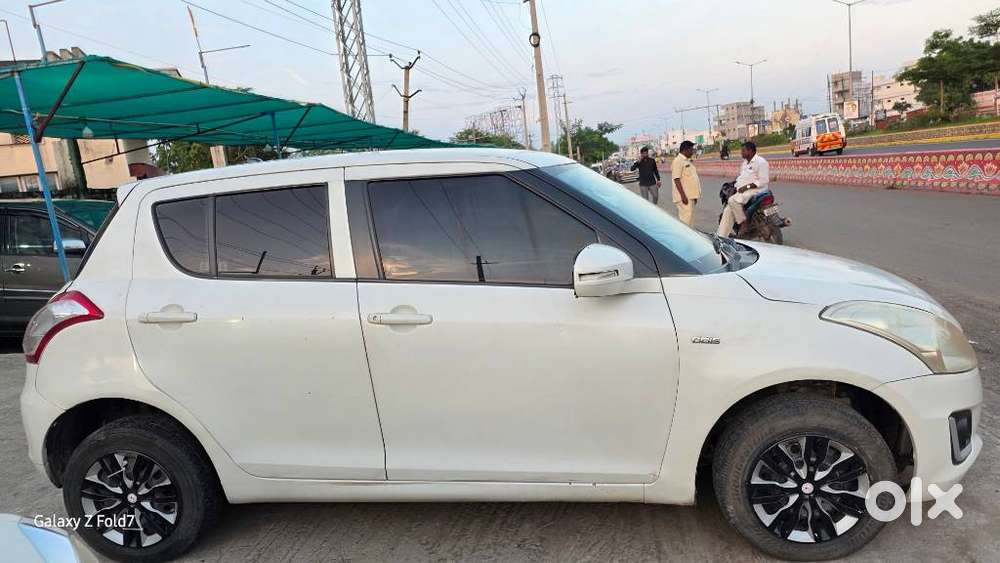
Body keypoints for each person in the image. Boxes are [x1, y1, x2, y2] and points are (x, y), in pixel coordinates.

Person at [716, 141, 770, 237]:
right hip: (744, 191)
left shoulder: (761, 162)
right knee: (728, 210)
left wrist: (747, 187)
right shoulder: (745, 163)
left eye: (743, 150)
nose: (741, 152)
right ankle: (721, 236)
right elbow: (741, 177)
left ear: (750, 151)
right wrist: (734, 187)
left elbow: (764, 181)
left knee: (732, 200)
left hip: (756, 190)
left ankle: (743, 222)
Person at [671, 140, 701, 227]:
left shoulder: (687, 161)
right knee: (685, 223)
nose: (692, 151)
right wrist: (683, 196)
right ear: (685, 150)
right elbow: (676, 179)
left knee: (689, 221)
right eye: (691, 150)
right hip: (684, 198)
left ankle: (689, 238)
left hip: (689, 196)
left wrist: (694, 196)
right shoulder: (678, 161)